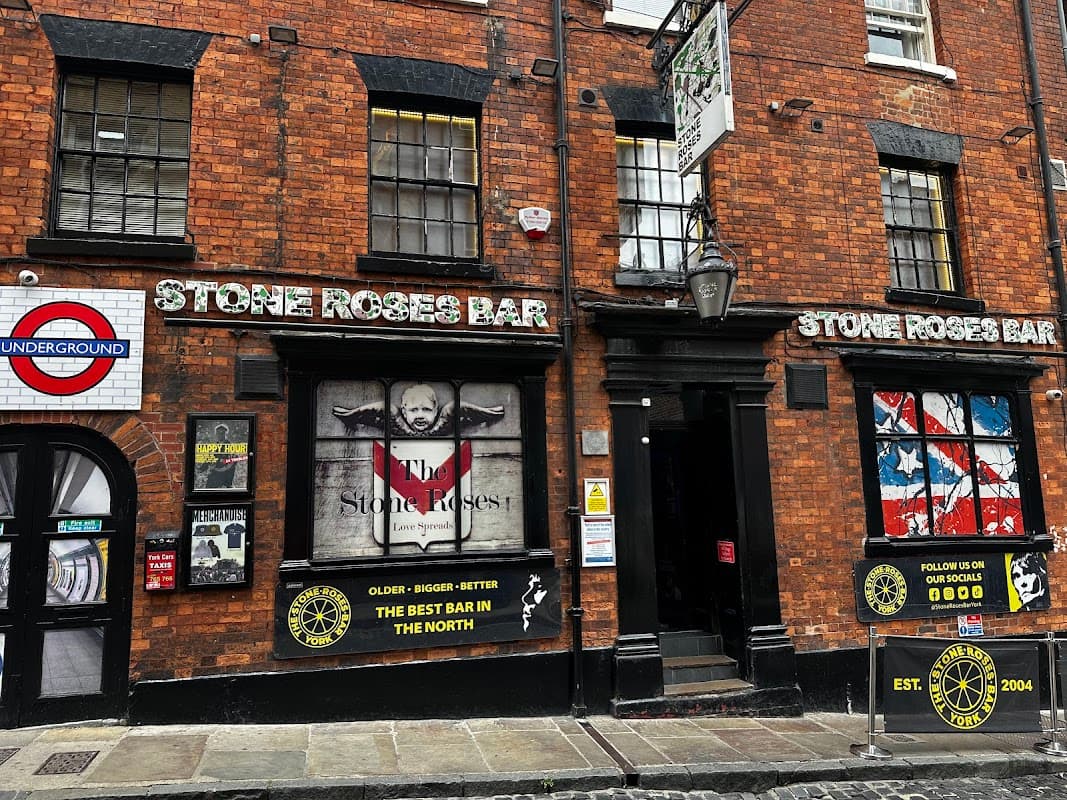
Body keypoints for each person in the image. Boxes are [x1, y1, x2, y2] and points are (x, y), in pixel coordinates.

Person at [333, 383, 505, 437]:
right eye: (414, 410)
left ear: (436, 410)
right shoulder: (395, 419)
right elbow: (375, 412)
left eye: (426, 409)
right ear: (404, 411)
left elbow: (462, 411)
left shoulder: (445, 420)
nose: (420, 415)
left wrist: (489, 414)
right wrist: (350, 416)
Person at [205, 424, 237, 488]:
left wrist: (222, 467)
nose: (220, 434)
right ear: (216, 434)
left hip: (225, 476)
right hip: (213, 475)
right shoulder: (214, 446)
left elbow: (234, 460)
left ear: (226, 434)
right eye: (218, 433)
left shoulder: (230, 446)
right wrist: (202, 469)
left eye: (222, 433)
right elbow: (209, 459)